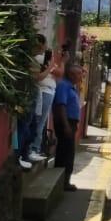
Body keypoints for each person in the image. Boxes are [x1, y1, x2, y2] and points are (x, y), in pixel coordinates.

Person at [20, 36, 57, 170]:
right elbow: (38, 77)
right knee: (30, 125)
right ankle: (26, 153)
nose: (43, 50)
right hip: (30, 95)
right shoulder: (33, 59)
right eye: (42, 47)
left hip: (36, 94)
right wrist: (50, 67)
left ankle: (27, 153)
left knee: (33, 125)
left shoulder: (35, 58)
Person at [52, 64, 83, 192]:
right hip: (66, 123)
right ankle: (63, 182)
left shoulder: (71, 87)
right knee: (66, 153)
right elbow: (61, 106)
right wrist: (66, 125)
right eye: (79, 74)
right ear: (71, 75)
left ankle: (65, 181)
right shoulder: (64, 86)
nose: (81, 76)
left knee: (68, 152)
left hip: (71, 123)